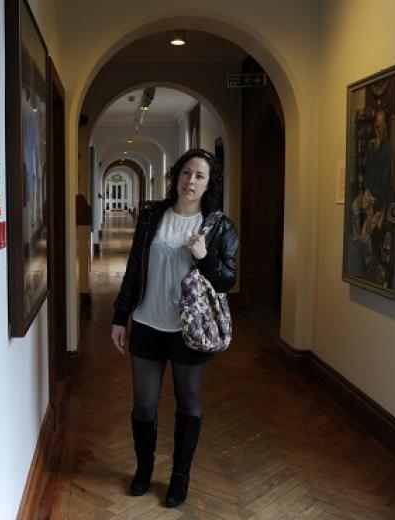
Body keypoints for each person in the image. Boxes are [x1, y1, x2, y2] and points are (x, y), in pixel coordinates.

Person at [111, 148, 239, 507]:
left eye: (200, 176)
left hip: (190, 331)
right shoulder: (153, 217)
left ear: (209, 184)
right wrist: (120, 316)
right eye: (187, 173)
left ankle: (180, 476)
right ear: (176, 176)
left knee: (189, 403)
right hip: (149, 324)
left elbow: (227, 280)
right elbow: (134, 268)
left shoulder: (219, 227)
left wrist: (205, 256)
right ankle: (144, 469)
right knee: (144, 405)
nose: (191, 181)